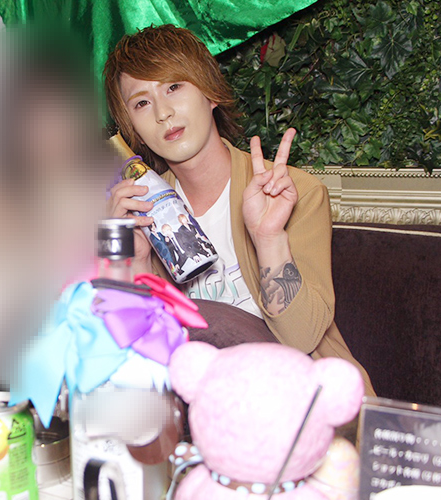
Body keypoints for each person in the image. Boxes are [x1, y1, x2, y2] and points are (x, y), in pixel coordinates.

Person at [104, 24, 375, 395]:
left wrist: (269, 238)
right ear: (130, 127)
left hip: (309, 403)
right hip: (204, 409)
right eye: (141, 103)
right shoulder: (138, 209)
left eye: (174, 87)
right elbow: (133, 357)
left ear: (211, 93)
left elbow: (303, 338)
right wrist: (131, 262)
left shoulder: (293, 193)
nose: (163, 113)